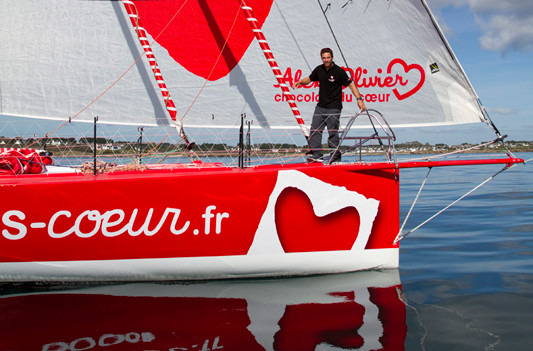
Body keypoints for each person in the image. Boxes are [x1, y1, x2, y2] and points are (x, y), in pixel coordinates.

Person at [292, 48, 366, 163]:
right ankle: (317, 155)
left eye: (328, 58)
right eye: (324, 58)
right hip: (320, 107)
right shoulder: (319, 69)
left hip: (334, 107)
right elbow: (310, 79)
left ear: (332, 58)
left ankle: (335, 158)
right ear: (322, 58)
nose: (326, 60)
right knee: (315, 130)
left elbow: (351, 85)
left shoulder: (339, 71)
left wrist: (359, 99)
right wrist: (300, 82)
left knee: (332, 133)